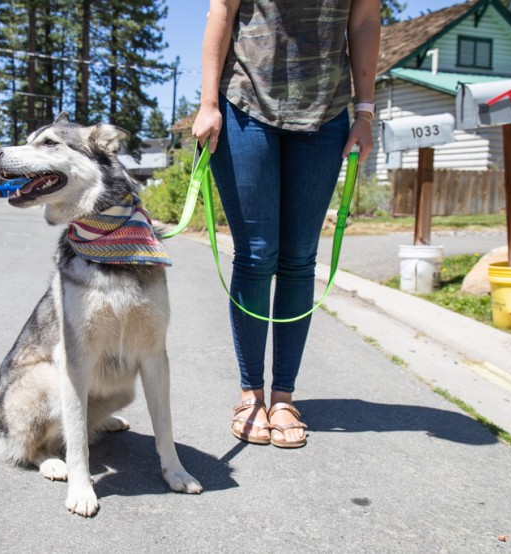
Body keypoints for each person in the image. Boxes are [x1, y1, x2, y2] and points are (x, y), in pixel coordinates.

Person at [192, 0, 380, 448]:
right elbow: (221, 9)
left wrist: (366, 112)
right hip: (244, 105)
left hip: (326, 110)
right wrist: (208, 102)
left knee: (299, 259)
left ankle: (283, 398)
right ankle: (249, 394)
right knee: (257, 255)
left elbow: (365, 19)